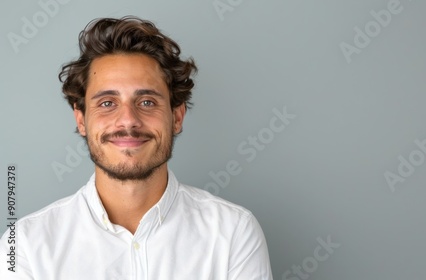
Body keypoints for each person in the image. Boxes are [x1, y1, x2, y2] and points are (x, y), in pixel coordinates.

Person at [0, 16, 273, 280]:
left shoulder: (234, 232)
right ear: (81, 120)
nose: (128, 120)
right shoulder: (24, 244)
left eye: (147, 102)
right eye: (107, 103)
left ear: (176, 117)